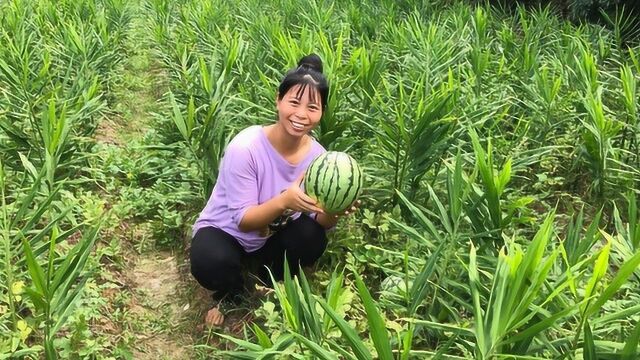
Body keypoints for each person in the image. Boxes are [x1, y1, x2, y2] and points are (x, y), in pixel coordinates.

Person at [189, 54, 358, 326]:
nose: (301, 114)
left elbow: (320, 220)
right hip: (227, 232)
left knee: (312, 236)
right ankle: (231, 292)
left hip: (269, 239)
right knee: (209, 261)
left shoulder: (319, 157)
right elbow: (243, 222)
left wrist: (334, 210)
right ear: (278, 100)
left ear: (322, 112)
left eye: (312, 107)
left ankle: (269, 279)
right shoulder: (246, 147)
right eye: (294, 102)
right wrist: (284, 201)